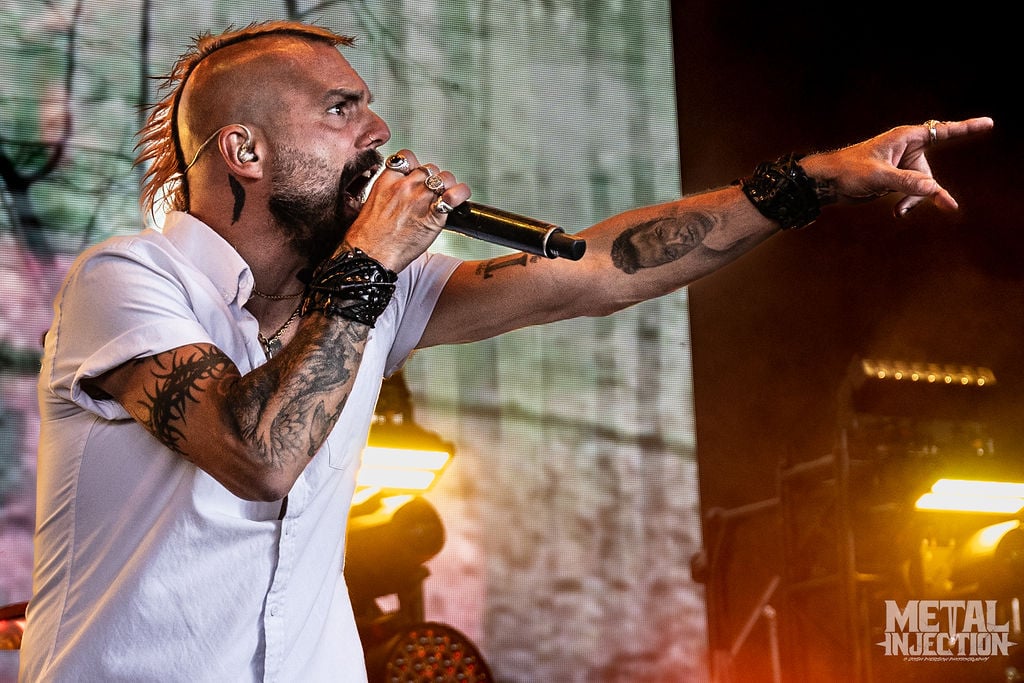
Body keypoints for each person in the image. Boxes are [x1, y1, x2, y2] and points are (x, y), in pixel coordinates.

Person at [19, 18, 993, 683]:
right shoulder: (127, 281)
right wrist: (370, 259)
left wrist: (811, 181)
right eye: (339, 110)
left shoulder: (365, 294)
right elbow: (260, 453)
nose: (379, 132)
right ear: (244, 151)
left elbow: (605, 264)